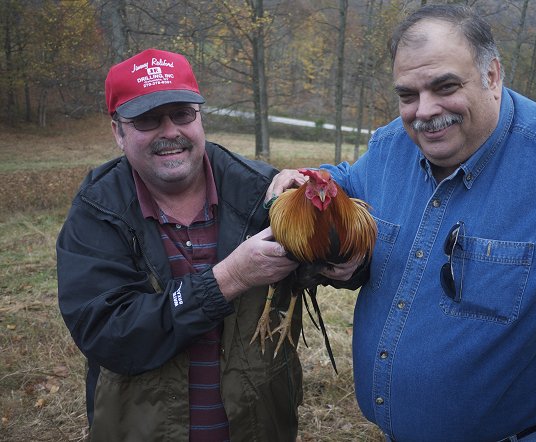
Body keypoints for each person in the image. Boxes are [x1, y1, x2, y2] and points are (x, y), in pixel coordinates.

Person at [269, 4, 536, 441]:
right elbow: (349, 179)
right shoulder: (390, 147)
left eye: (445, 86)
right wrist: (301, 178)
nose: (424, 111)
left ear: (492, 75)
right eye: (407, 95)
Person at [56, 48, 362, 442]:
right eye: (148, 119)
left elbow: (333, 262)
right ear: (118, 131)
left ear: (200, 118)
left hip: (257, 427)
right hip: (140, 431)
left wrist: (348, 255)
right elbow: (108, 334)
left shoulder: (260, 190)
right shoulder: (98, 211)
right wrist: (228, 279)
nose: (170, 132)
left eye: (182, 114)